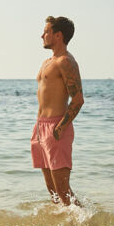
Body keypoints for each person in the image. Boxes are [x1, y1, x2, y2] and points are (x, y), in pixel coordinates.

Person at [32, 16, 84, 205]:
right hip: (40, 128)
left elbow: (78, 99)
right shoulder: (47, 62)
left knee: (63, 192)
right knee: (53, 192)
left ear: (58, 35)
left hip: (56, 127)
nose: (42, 35)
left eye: (46, 32)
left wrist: (61, 127)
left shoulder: (66, 62)